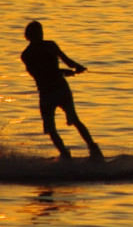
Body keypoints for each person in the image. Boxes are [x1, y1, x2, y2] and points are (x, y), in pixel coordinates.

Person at [20, 21, 104, 160]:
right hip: (52, 92)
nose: (41, 35)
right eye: (39, 33)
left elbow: (66, 62)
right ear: (30, 36)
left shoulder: (42, 48)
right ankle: (69, 154)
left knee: (70, 122)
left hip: (56, 91)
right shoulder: (30, 54)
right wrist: (66, 71)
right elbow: (39, 73)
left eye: (41, 32)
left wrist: (77, 68)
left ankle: (90, 151)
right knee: (53, 128)